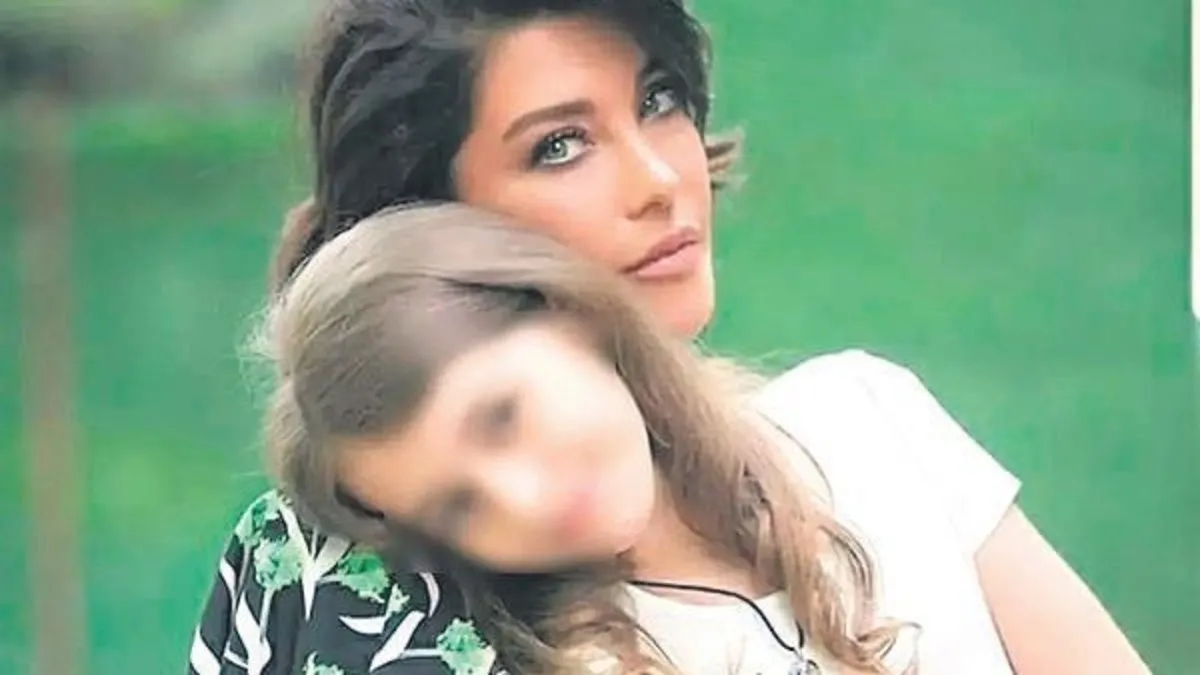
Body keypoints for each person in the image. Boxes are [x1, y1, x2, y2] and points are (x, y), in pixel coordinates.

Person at [187, 1, 1150, 674]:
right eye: (558, 145)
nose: (658, 179)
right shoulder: (421, 613)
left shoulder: (864, 419)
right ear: (436, 231)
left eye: (657, 99)